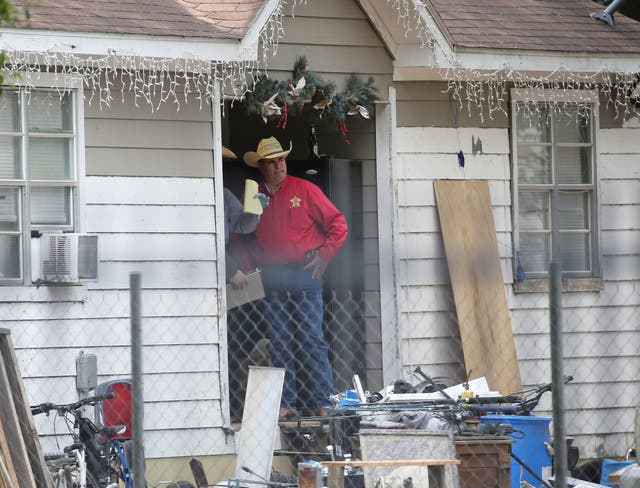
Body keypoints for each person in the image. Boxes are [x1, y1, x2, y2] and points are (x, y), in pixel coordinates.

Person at [243, 136, 348, 418]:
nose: (278, 166)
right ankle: (286, 404)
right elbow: (243, 236)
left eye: (281, 160)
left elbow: (338, 223)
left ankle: (323, 401)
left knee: (311, 338)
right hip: (273, 275)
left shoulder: (305, 189)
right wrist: (246, 267)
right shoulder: (254, 197)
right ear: (261, 167)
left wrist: (325, 255)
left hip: (304, 272)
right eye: (272, 162)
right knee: (280, 340)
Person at [221, 146, 263, 289]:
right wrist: (231, 270)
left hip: (219, 261)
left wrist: (254, 210)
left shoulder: (224, 194)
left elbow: (243, 225)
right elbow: (203, 241)